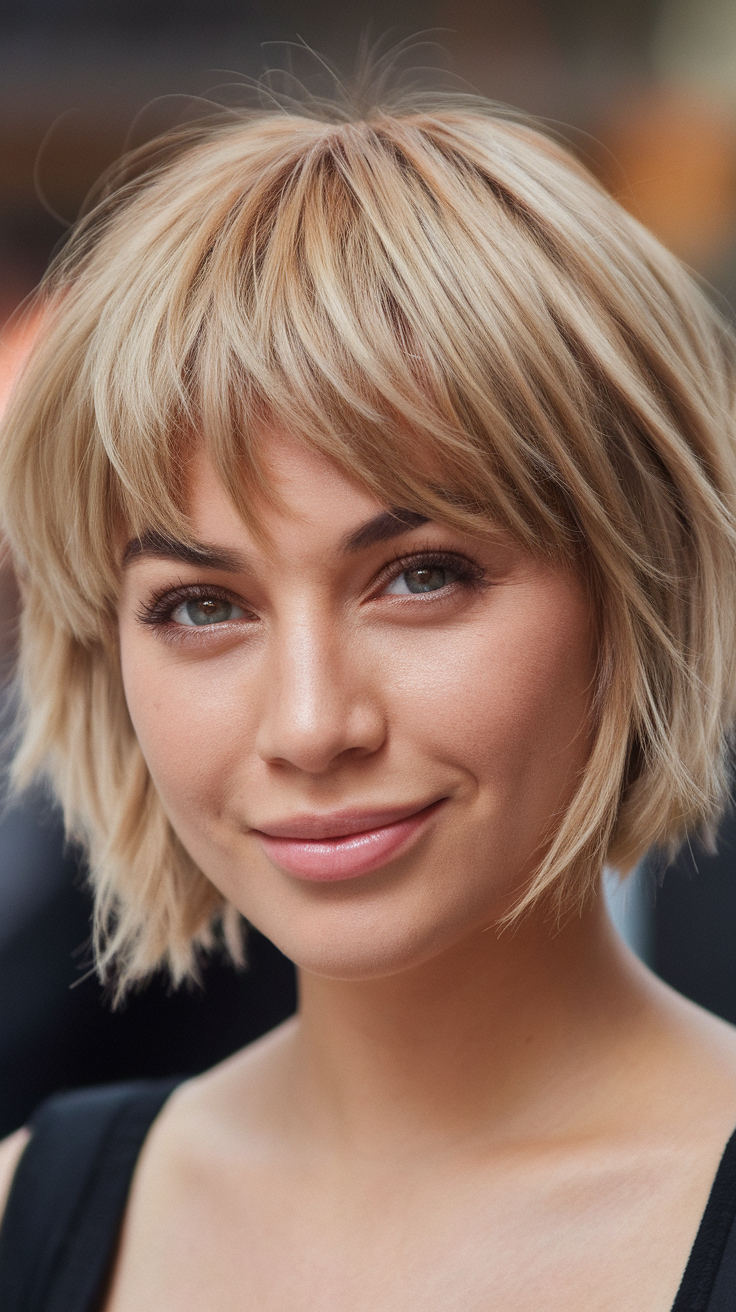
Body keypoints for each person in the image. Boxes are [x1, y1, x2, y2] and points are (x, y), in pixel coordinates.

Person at [0, 89, 735, 1312]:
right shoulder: (26, 1215)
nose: (308, 722)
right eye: (200, 605)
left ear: (637, 581)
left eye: (421, 576)